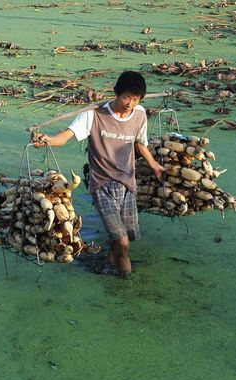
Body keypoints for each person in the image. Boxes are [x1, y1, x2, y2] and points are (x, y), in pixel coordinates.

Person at [31, 71, 166, 278]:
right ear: (117, 93)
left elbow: (139, 143)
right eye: (126, 97)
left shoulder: (139, 114)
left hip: (128, 183)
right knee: (123, 242)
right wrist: (47, 139)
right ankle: (126, 282)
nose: (130, 103)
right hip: (102, 185)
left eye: (136, 99)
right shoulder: (92, 115)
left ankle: (109, 262)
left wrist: (155, 165)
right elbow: (65, 137)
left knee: (125, 235)